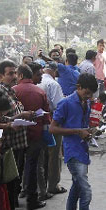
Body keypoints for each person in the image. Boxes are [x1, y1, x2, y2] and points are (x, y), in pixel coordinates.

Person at [50, 73, 101, 210]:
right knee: (85, 191)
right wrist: (78, 131)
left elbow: (82, 125)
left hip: (83, 150)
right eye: (86, 93)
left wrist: (90, 131)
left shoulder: (85, 103)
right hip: (72, 152)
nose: (88, 97)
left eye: (90, 94)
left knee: (76, 190)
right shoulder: (65, 103)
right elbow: (53, 128)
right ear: (78, 87)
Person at [0, 59, 36, 210]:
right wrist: (19, 117)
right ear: (0, 76)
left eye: (15, 72)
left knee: (15, 177)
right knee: (9, 178)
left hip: (17, 140)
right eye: (10, 73)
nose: (14, 76)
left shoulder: (10, 90)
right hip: (6, 142)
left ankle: (12, 208)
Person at [13, 64, 51, 210]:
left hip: (18, 134)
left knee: (17, 166)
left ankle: (14, 200)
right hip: (36, 134)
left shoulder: (13, 91)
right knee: (32, 166)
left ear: (20, 76)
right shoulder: (40, 92)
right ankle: (32, 199)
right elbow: (47, 115)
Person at [38, 61, 67, 196]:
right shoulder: (53, 84)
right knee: (54, 154)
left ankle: (42, 186)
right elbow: (59, 106)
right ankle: (53, 184)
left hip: (39, 123)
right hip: (52, 121)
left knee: (42, 155)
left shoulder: (38, 81)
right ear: (55, 72)